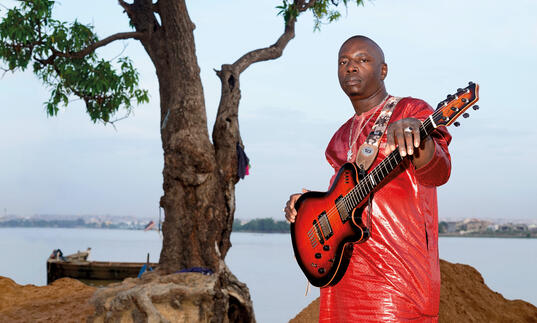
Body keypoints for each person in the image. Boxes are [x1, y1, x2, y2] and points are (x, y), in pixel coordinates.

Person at [284, 35, 451, 322]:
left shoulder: (410, 111)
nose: (350, 67)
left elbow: (438, 171)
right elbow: (339, 197)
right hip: (344, 273)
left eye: (362, 59)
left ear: (382, 70)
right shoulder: (340, 136)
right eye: (343, 62)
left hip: (397, 277)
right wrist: (307, 208)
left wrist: (419, 138)